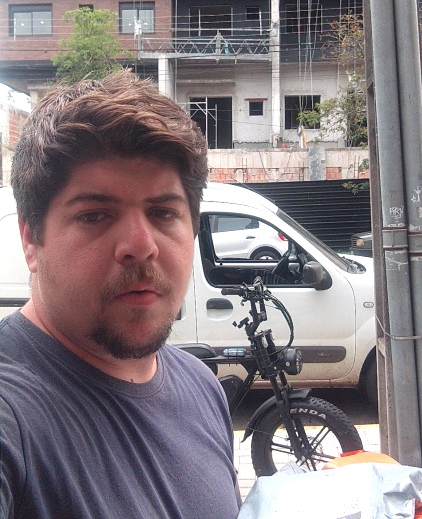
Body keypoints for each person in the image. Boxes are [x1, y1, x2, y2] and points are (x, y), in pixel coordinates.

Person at [0, 71, 241, 519]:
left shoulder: (202, 388)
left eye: (163, 213)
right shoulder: (12, 414)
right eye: (95, 215)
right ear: (31, 239)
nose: (141, 245)